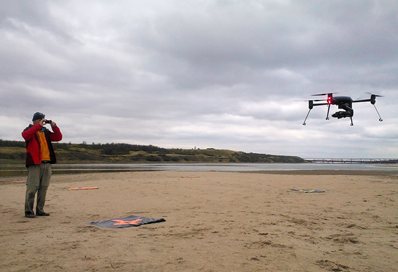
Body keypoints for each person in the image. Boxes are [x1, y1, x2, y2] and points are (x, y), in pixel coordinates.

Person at [22, 112, 62, 218]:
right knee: (32, 188)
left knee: (43, 188)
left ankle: (40, 210)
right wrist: (38, 126)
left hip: (47, 163)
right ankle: (28, 211)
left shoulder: (45, 131)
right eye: (41, 119)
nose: (43, 121)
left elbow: (58, 137)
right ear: (35, 120)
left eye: (43, 120)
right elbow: (25, 136)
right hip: (35, 164)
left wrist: (54, 126)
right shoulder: (29, 130)